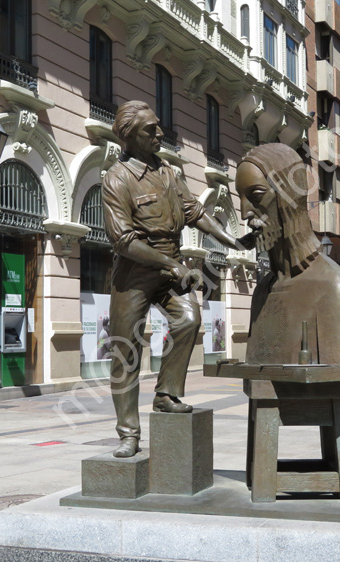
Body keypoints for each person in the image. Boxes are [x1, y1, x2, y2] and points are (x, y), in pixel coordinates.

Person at [102, 101, 255, 458]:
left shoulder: (168, 172)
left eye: (158, 126)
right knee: (126, 351)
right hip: (134, 269)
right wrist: (172, 267)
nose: (159, 133)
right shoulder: (117, 178)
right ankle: (128, 433)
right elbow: (123, 240)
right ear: (128, 137)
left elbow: (194, 211)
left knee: (188, 318)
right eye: (150, 130)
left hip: (171, 263)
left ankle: (166, 394)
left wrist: (234, 241)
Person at [235, 143, 340, 366]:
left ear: (288, 199)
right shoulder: (262, 290)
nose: (245, 213)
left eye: (256, 195)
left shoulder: (332, 286)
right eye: (240, 197)